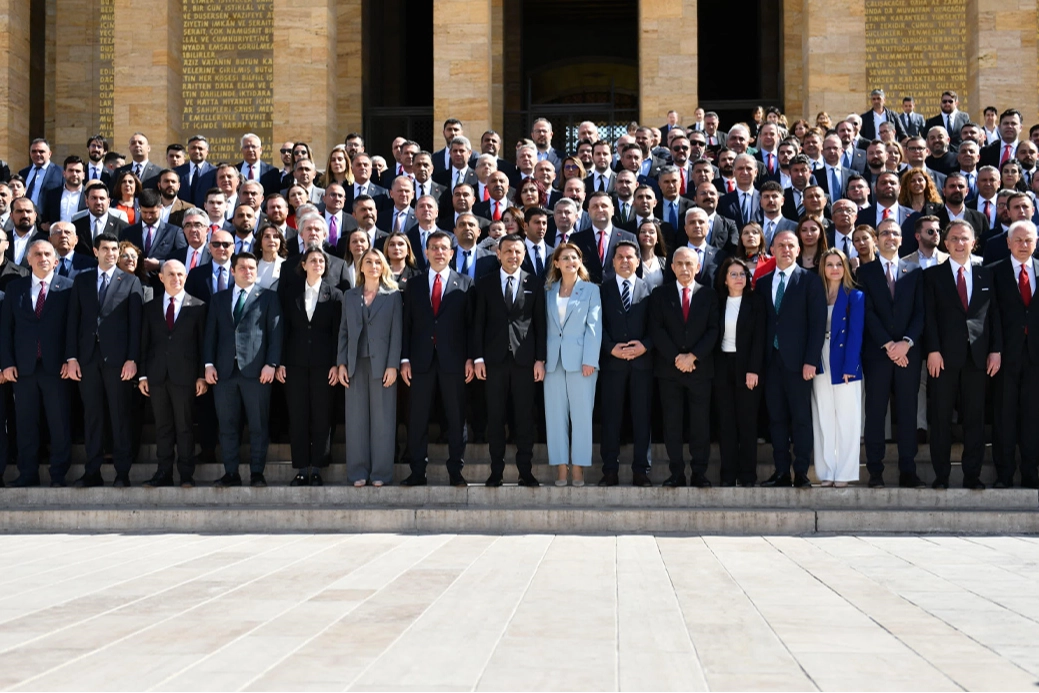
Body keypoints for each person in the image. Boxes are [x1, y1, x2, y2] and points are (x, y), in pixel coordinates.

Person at [923, 220, 1000, 490]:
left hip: (977, 358)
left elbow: (993, 317)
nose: (959, 243)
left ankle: (972, 475)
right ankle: (941, 476)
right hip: (942, 358)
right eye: (953, 238)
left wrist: (995, 350)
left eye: (964, 238)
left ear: (973, 242)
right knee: (941, 418)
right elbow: (929, 317)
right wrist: (932, 350)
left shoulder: (985, 275)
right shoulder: (932, 276)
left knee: (974, 419)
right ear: (945, 243)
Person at [65, 231, 143, 488]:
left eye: (115, 249)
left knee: (120, 416)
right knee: (92, 416)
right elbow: (73, 322)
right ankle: (92, 471)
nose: (111, 254)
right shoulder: (82, 280)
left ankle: (122, 473)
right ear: (96, 252)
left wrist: (132, 359)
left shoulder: (130, 282)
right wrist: (72, 357)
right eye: (106, 249)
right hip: (87, 359)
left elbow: (136, 326)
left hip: (118, 361)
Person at [399, 231, 474, 487]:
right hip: (420, 361)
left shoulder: (465, 283)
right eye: (434, 248)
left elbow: (470, 326)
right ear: (426, 252)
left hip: (454, 361)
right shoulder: (415, 284)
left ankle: (456, 471)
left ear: (452, 253)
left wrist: (470, 359)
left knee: (455, 418)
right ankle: (418, 471)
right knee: (417, 418)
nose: (439, 252)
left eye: (444, 248)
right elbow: (407, 324)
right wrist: (405, 359)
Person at [203, 251, 282, 487]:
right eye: (243, 268)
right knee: (227, 425)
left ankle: (257, 472)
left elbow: (276, 333)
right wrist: (208, 365)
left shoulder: (268, 297)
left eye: (252, 268)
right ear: (234, 270)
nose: (248, 272)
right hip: (224, 372)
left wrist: (272, 363)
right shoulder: (219, 299)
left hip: (257, 371)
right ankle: (231, 473)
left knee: (258, 425)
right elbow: (210, 335)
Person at [858, 219, 927, 488]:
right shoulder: (865, 272)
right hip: (878, 353)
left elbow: (921, 312)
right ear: (876, 239)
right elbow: (868, 312)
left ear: (902, 239)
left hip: (908, 353)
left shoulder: (915, 271)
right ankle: (875, 471)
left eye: (895, 233)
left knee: (907, 412)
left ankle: (907, 470)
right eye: (885, 233)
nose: (890, 237)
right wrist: (889, 345)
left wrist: (906, 343)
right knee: (875, 412)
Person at [473, 234, 545, 487]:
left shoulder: (535, 283)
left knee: (524, 418)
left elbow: (540, 324)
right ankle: (496, 472)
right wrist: (478, 357)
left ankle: (526, 471)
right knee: (495, 418)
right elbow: (478, 323)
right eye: (508, 251)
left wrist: (540, 359)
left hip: (524, 361)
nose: (513, 256)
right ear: (498, 253)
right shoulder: (484, 283)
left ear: (523, 254)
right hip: (493, 361)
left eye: (517, 251)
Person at [0, 240, 74, 486]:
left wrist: (70, 358)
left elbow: (72, 329)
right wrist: (7, 362)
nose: (42, 258)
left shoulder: (68, 288)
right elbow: (6, 330)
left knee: (59, 422)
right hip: (23, 369)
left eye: (47, 254)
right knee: (25, 424)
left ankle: (58, 474)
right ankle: (27, 473)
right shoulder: (15, 288)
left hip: (57, 368)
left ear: (55, 260)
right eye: (37, 254)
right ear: (28, 260)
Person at [758, 230, 827, 488]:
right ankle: (781, 472)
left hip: (799, 363)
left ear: (798, 250)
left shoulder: (809, 281)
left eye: (790, 245)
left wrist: (811, 360)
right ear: (772, 251)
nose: (785, 249)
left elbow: (817, 324)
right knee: (776, 419)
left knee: (800, 418)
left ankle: (801, 472)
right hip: (771, 362)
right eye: (780, 245)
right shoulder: (764, 283)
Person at [650, 246, 718, 487]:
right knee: (672, 423)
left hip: (700, 370)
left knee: (700, 424)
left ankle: (699, 472)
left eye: (689, 263)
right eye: (679, 263)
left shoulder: (709, 295)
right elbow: (656, 330)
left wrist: (693, 356)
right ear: (672, 267)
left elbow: (713, 331)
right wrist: (677, 358)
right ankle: (676, 472)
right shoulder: (660, 294)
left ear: (698, 267)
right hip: (670, 370)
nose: (684, 268)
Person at [276, 246, 343, 486]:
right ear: (303, 265)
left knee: (322, 417)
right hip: (294, 364)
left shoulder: (335, 295)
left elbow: (338, 334)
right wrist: (280, 361)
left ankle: (318, 469)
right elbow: (281, 330)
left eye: (321, 261)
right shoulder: (290, 293)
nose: (318, 264)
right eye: (312, 260)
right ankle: (302, 468)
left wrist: (337, 364)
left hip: (325, 366)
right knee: (298, 415)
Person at [139, 260, 208, 487]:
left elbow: (202, 344)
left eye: (180, 274)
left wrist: (201, 375)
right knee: (163, 427)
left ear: (186, 277)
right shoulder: (151, 307)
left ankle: (186, 474)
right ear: (161, 277)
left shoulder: (198, 306)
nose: (175, 278)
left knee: (185, 426)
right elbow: (144, 343)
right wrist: (142, 376)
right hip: (158, 376)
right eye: (170, 274)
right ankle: (163, 473)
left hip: (186, 377)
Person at [337, 247, 401, 486]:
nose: (373, 266)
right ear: (361, 266)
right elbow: (343, 331)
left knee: (383, 421)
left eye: (377, 262)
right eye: (368, 262)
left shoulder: (393, 295)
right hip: (355, 364)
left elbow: (397, 333)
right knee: (356, 421)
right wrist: (341, 363)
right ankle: (358, 472)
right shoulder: (350, 296)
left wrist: (393, 365)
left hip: (382, 365)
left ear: (383, 267)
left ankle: (381, 473)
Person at [543, 243, 602, 486]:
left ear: (580, 262)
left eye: (574, 257)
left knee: (581, 417)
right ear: (556, 263)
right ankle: (561, 468)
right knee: (555, 417)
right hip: (552, 361)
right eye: (564, 258)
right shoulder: (548, 291)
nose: (569, 261)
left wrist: (590, 359)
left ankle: (578, 467)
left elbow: (594, 326)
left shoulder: (590, 290)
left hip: (581, 361)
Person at [598, 240, 653, 487]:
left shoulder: (650, 289)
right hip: (613, 364)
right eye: (619, 257)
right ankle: (609, 470)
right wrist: (610, 348)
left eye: (630, 257)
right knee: (611, 419)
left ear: (638, 261)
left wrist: (646, 345)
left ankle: (642, 470)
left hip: (642, 365)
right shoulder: (602, 289)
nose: (625, 261)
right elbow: (597, 326)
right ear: (613, 261)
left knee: (642, 419)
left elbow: (657, 326)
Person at [990, 220, 1039, 489]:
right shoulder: (994, 273)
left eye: (1028, 240)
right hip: (1005, 356)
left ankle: (1031, 474)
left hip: (1036, 358)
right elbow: (991, 316)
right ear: (1008, 243)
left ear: (1036, 242)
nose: (1023, 245)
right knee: (1004, 416)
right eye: (1017, 240)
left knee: (1033, 417)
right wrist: (995, 350)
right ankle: (1004, 474)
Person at [811, 249, 864, 487]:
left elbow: (856, 333)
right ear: (822, 268)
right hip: (819, 357)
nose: (834, 269)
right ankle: (826, 472)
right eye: (829, 264)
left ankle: (844, 472)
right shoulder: (816, 294)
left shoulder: (855, 296)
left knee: (847, 418)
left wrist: (850, 366)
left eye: (839, 264)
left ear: (846, 268)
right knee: (823, 416)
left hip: (844, 358)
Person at [713, 256, 765, 487]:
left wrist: (753, 369)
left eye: (742, 274)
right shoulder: (716, 302)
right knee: (726, 423)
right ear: (724, 279)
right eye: (733, 274)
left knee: (747, 423)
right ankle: (727, 475)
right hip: (722, 366)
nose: (738, 278)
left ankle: (747, 476)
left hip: (747, 368)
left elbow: (759, 340)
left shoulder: (756, 303)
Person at [637, 219, 667, 289]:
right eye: (643, 232)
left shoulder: (664, 262)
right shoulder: (633, 261)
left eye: (651, 232)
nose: (647, 234)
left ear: (657, 239)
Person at [256, 224, 287, 290]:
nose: (271, 240)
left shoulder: (287, 265)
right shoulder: (254, 265)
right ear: (260, 242)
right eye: (267, 236)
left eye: (275, 237)